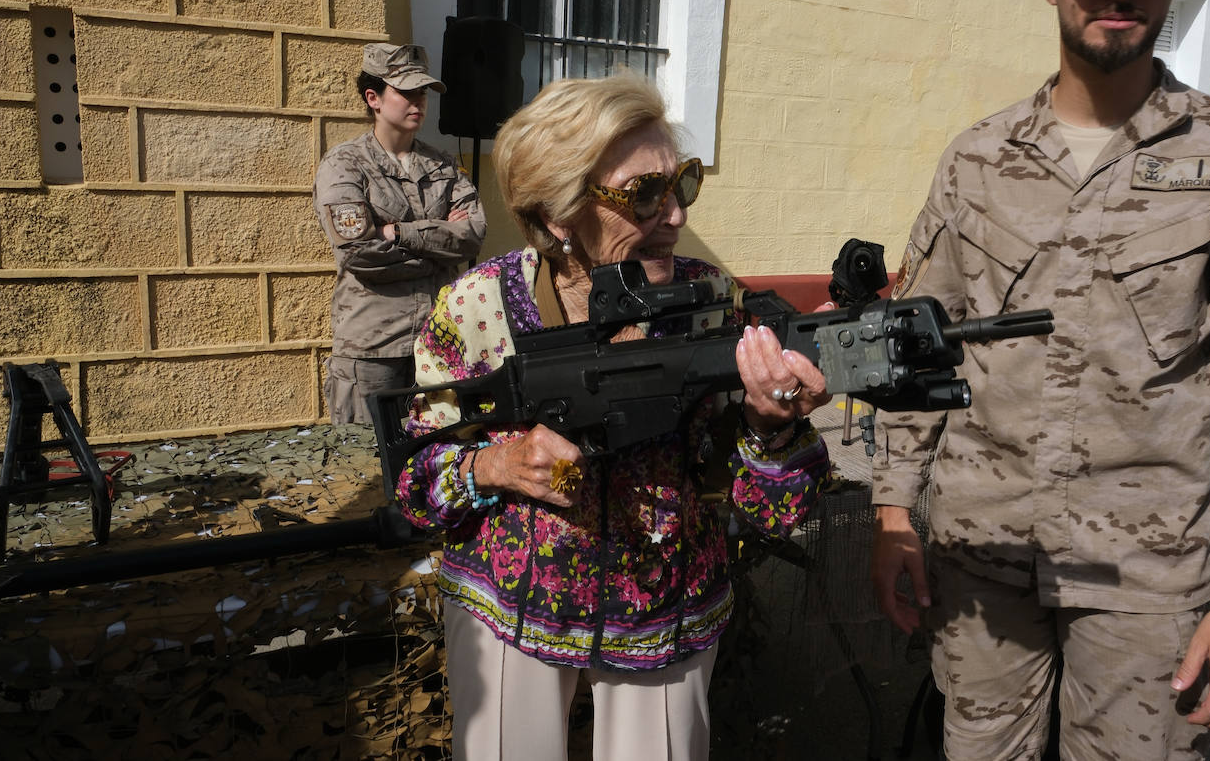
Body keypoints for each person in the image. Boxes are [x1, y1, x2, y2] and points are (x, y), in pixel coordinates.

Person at [869, 0, 1210, 758]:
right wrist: (891, 513)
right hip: (979, 559)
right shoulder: (977, 158)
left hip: (1142, 578)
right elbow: (913, 350)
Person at [393, 74, 831, 761]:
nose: (676, 216)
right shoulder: (477, 311)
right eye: (644, 195)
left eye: (680, 184)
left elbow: (772, 512)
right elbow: (414, 484)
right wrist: (494, 464)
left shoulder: (715, 302)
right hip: (506, 612)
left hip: (666, 615)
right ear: (560, 213)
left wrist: (773, 428)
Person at [313, 43, 486, 424]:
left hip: (439, 343)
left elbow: (472, 235)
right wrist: (440, 243)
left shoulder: (441, 164)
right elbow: (359, 254)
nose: (418, 102)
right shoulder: (344, 166)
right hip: (373, 350)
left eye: (422, 92)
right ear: (373, 97)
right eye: (405, 92)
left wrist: (397, 232)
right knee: (367, 469)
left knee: (436, 464)